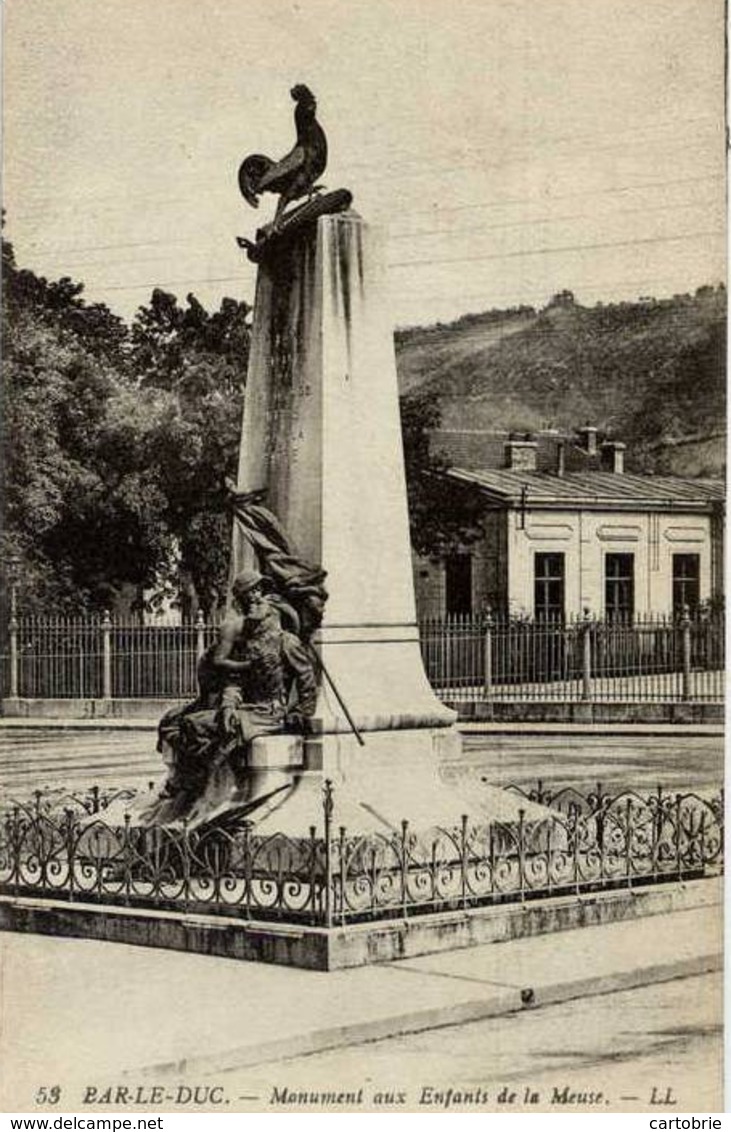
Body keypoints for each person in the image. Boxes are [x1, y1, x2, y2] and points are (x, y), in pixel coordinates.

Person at [153, 569, 317, 821]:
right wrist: (229, 705)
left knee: (210, 726)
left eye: (259, 603)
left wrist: (300, 712)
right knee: (188, 723)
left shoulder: (287, 642)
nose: (254, 608)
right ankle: (194, 782)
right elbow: (234, 682)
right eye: (248, 604)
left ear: (271, 614)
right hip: (246, 709)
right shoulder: (244, 645)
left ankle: (199, 780)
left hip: (270, 712)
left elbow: (306, 679)